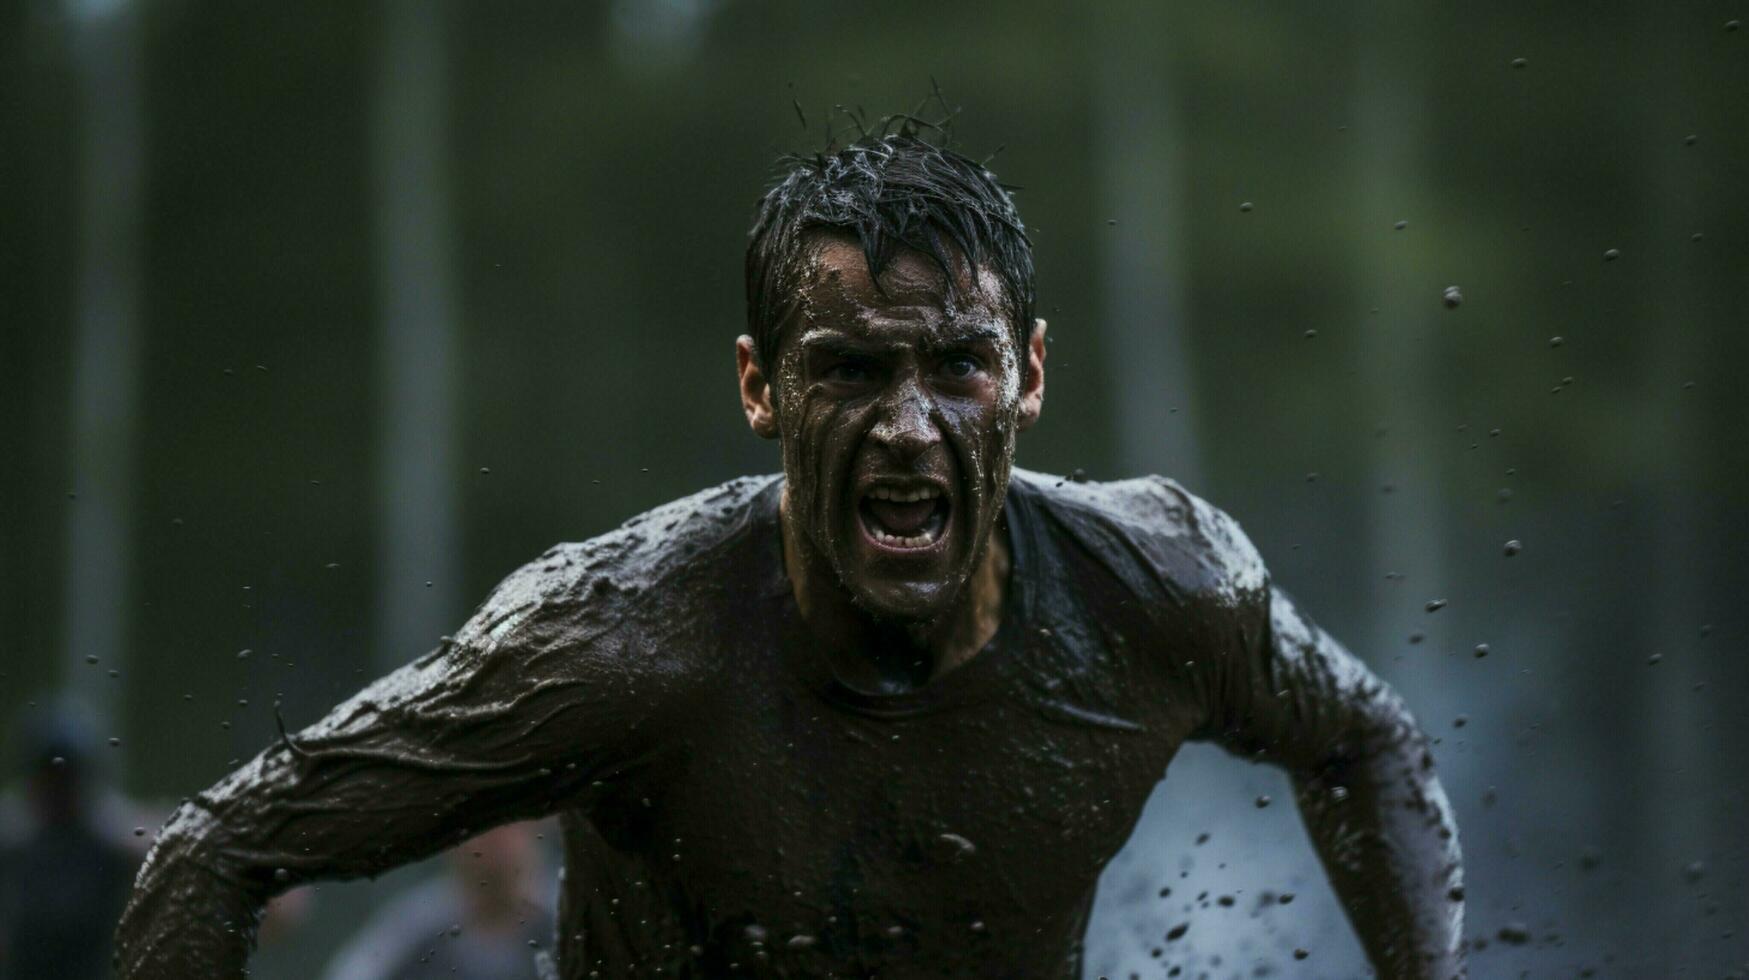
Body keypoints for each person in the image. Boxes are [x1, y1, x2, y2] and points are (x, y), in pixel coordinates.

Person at [115, 132, 1465, 978]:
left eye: (957, 369)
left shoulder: (1158, 586)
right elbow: (218, 850)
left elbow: (1368, 744)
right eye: (850, 370)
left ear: (1032, 373)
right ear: (761, 387)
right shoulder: (620, 638)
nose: (908, 427)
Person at [0, 701, 148, 980]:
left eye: (65, 780)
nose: (58, 791)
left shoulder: (112, 841)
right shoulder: (14, 840)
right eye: (50, 779)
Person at [320, 821, 557, 980]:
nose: (492, 840)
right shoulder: (413, 931)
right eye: (477, 826)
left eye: (505, 824)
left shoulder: (570, 918)